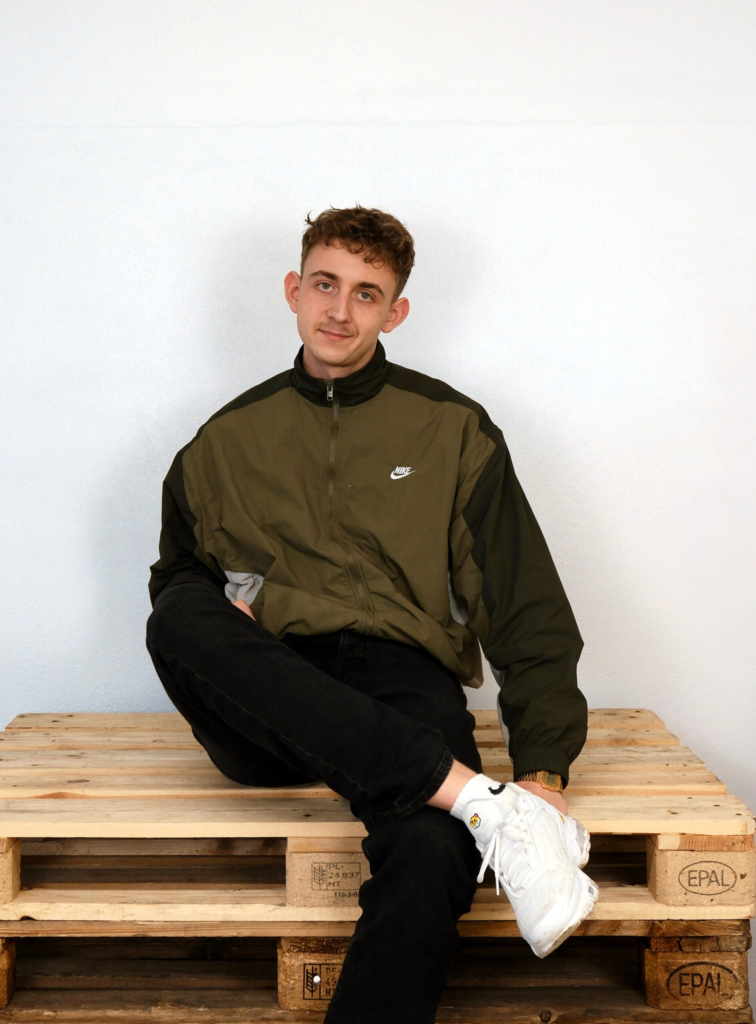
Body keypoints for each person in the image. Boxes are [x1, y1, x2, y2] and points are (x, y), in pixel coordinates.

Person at [147, 206, 598, 1023]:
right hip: (274, 696)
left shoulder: (452, 429)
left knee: (433, 849)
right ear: (293, 289)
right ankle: (474, 797)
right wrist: (227, 612)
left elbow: (522, 602)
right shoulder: (222, 441)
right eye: (325, 285)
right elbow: (180, 578)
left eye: (366, 293)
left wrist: (541, 769)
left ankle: (474, 805)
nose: (339, 311)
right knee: (178, 612)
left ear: (396, 313)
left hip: (400, 677)